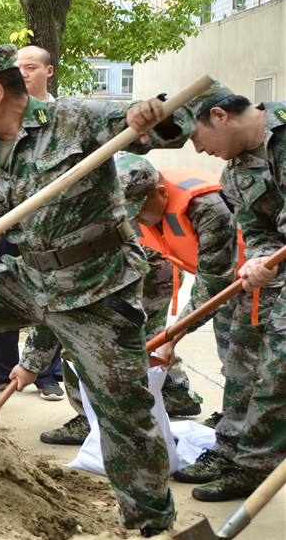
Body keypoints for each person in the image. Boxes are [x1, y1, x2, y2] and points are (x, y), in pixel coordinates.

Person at [0, 44, 182, 537]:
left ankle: (149, 526)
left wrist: (153, 116)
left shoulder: (75, 118)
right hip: (27, 279)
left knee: (124, 409)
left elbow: (165, 125)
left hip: (94, 289)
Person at [39, 154, 238, 446]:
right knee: (227, 358)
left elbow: (212, 285)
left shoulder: (207, 207)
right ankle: (226, 420)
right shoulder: (130, 206)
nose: (135, 219)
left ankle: (237, 443)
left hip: (251, 280)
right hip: (214, 278)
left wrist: (174, 337)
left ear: (160, 192)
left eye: (139, 210)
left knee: (242, 360)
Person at [166, 83, 286, 501]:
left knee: (278, 370)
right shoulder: (233, 174)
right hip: (277, 280)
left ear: (218, 116)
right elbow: (260, 234)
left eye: (196, 138)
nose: (198, 151)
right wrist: (261, 261)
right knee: (247, 362)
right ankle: (236, 456)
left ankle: (251, 463)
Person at [0, 45, 64, 407]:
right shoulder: (1, 116)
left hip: (52, 230)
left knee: (51, 301)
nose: (24, 73)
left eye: (32, 66)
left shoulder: (63, 117)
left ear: (49, 71)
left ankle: (47, 373)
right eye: (17, 67)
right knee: (0, 292)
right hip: (8, 226)